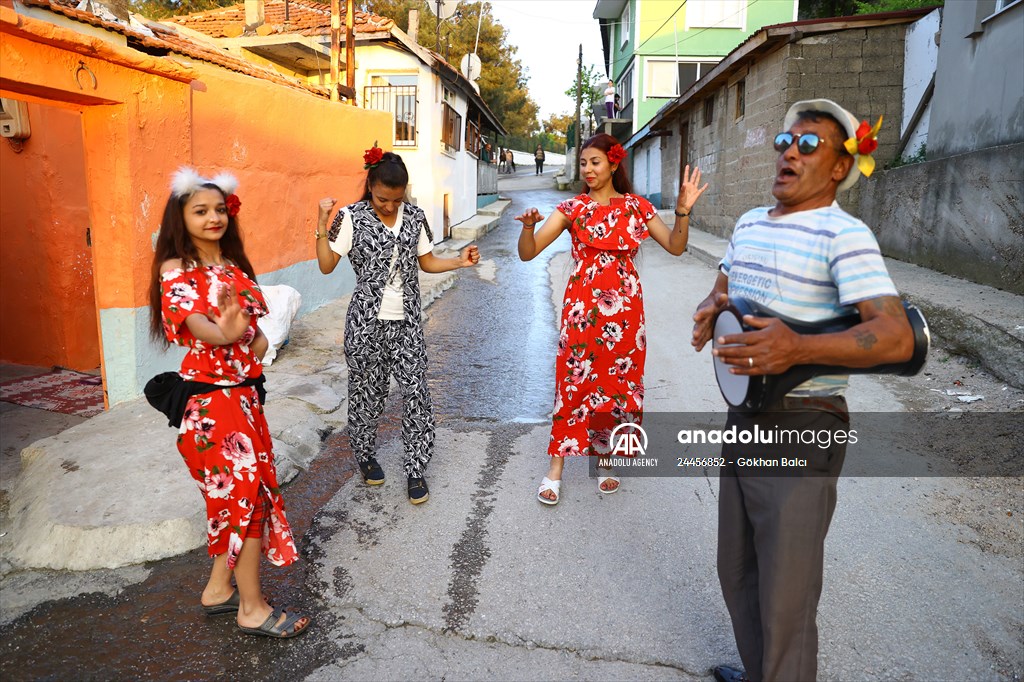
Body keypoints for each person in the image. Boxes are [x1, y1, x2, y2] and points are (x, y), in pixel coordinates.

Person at [691, 100, 913, 682]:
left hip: (801, 422)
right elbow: (725, 288)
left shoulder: (844, 234)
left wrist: (798, 347)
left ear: (840, 166)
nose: (791, 150)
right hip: (745, 417)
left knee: (786, 593)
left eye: (809, 144)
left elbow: (894, 337)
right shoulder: (749, 223)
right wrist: (712, 309)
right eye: (785, 141)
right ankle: (762, 671)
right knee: (738, 567)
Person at [149, 168, 311, 639]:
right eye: (200, 210)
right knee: (244, 505)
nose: (213, 217)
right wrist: (228, 332)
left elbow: (255, 344)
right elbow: (205, 330)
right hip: (211, 409)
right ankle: (252, 609)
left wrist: (255, 337)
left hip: (243, 403)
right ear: (180, 217)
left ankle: (220, 590)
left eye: (220, 209)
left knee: (239, 501)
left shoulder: (234, 268)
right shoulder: (176, 270)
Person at [516, 132, 708, 504]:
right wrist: (527, 228)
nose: (588, 169)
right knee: (572, 381)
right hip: (581, 310)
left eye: (595, 162)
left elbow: (676, 245)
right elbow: (529, 252)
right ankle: (555, 467)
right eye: (584, 163)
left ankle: (605, 459)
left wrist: (682, 211)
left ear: (614, 163)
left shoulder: (637, 207)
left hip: (626, 313)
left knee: (615, 384)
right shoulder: (572, 209)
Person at [315, 147, 480, 505]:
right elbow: (327, 266)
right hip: (364, 325)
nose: (389, 206)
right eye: (382, 199)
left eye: (396, 199)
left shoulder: (415, 217)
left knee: (416, 393)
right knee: (366, 396)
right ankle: (365, 454)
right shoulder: (350, 218)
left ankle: (416, 468)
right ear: (370, 186)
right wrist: (321, 224)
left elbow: (428, 262)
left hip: (407, 324)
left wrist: (458, 262)